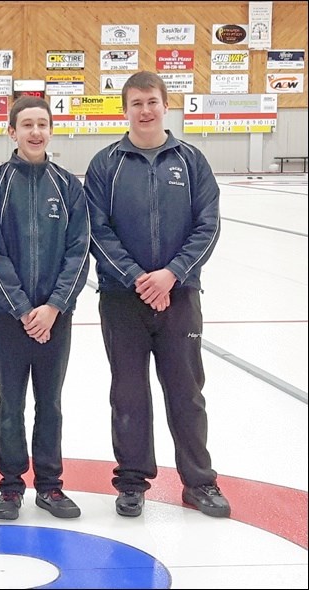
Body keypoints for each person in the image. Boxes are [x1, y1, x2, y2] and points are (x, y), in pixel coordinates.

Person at [84, 70, 230, 518]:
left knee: (186, 391)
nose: (145, 111)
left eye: (152, 102)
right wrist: (138, 279)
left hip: (180, 296)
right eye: (136, 104)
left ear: (166, 105)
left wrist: (172, 274)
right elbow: (97, 230)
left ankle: (199, 483)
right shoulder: (105, 164)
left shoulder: (191, 161)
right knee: (128, 392)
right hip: (122, 299)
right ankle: (132, 481)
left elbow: (209, 224)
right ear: (124, 110)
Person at [0, 95, 90, 521]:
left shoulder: (69, 186)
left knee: (51, 403)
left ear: (51, 130)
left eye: (42, 124)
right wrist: (24, 310)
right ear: (12, 132)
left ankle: (50, 485)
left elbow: (79, 252)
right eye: (27, 125)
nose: (36, 132)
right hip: (10, 317)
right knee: (11, 404)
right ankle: (10, 486)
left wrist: (54, 306)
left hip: (56, 319)